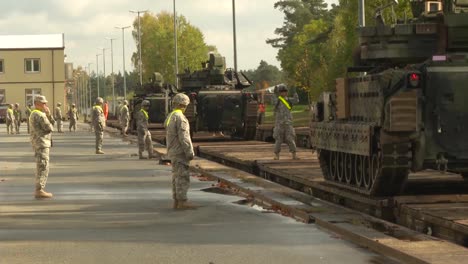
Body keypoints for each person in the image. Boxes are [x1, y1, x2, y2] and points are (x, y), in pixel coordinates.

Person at [164, 93, 196, 210]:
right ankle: (182, 201)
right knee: (182, 176)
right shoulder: (180, 118)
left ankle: (176, 201)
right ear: (184, 105)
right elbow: (184, 137)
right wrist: (190, 152)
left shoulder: (170, 116)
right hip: (179, 152)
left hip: (172, 150)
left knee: (176, 176)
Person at [29, 95, 55, 199]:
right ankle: (39, 190)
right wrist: (48, 114)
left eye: (45, 103)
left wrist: (48, 115)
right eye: (43, 103)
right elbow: (49, 127)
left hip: (40, 143)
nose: (45, 105)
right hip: (41, 143)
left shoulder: (36, 113)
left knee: (41, 165)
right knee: (43, 166)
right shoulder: (39, 114)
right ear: (36, 104)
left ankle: (39, 189)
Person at [272, 84, 299, 160]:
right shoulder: (277, 100)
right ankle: (276, 155)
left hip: (288, 123)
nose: (283, 93)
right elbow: (273, 101)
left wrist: (294, 92)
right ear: (279, 93)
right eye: (281, 92)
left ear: (287, 92)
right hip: (279, 123)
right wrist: (274, 93)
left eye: (285, 91)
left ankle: (294, 154)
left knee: (290, 138)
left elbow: (296, 100)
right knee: (278, 140)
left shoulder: (289, 100)